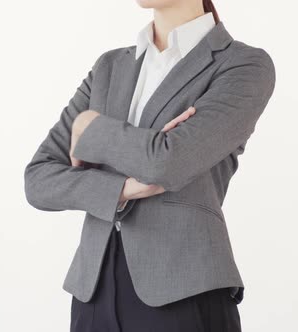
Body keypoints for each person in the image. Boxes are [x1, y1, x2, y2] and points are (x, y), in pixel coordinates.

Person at [24, 0, 276, 331]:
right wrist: (122, 189)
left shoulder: (242, 65)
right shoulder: (109, 68)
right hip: (93, 295)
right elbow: (39, 179)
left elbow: (167, 162)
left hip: (183, 291)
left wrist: (89, 126)